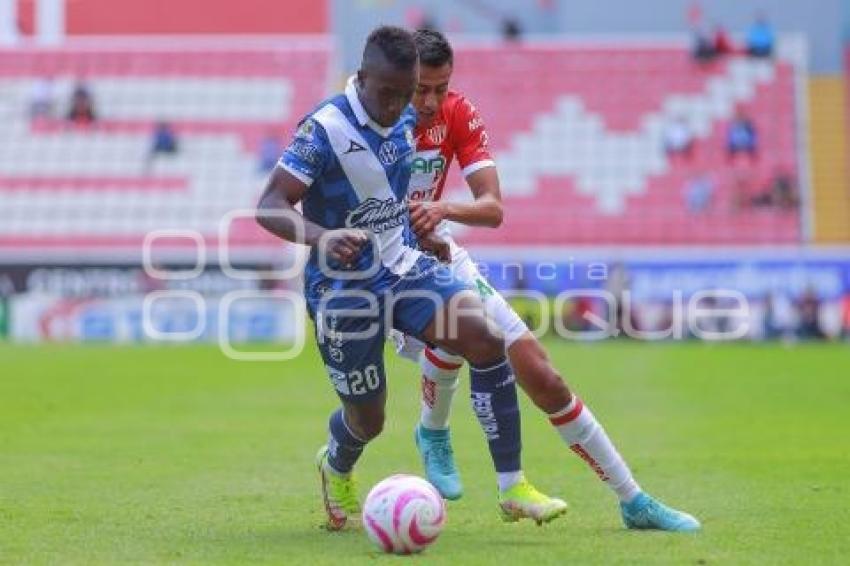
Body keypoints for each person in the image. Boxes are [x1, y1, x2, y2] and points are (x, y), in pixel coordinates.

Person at [255, 26, 566, 531]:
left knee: (484, 339)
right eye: (389, 94)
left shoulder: (404, 115)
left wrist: (426, 233)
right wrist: (322, 237)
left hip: (402, 267)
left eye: (408, 94)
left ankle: (513, 486)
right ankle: (335, 465)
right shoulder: (324, 129)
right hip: (341, 288)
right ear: (361, 78)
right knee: (368, 420)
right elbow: (269, 205)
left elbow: (391, 199)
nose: (400, 106)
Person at [395, 28, 700, 531]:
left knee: (543, 373)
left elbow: (492, 209)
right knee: (456, 329)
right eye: (420, 89)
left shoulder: (458, 113)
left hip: (442, 250)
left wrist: (441, 208)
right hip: (388, 270)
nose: (431, 101)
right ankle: (433, 432)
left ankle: (634, 500)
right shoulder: (373, 122)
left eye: (440, 88)